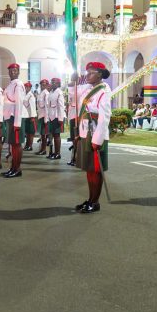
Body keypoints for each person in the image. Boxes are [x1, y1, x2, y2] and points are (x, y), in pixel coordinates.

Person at [75, 62, 112, 213]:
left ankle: (95, 202)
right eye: (87, 72)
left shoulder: (104, 90)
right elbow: (75, 99)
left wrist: (97, 140)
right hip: (86, 132)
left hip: (96, 134)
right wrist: (73, 83)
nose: (87, 75)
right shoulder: (89, 90)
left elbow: (104, 117)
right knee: (90, 169)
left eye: (91, 73)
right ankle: (90, 199)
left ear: (100, 74)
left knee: (96, 170)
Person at [2, 63, 26, 177]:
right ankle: (13, 167)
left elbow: (19, 104)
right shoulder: (10, 85)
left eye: (15, 70)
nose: (12, 72)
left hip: (15, 118)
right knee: (12, 144)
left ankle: (17, 169)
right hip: (9, 118)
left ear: (19, 72)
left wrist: (17, 123)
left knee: (17, 144)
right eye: (11, 70)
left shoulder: (18, 85)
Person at [47, 77, 65, 160]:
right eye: (52, 82)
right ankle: (53, 152)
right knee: (53, 135)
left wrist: (60, 118)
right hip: (51, 116)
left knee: (57, 135)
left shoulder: (59, 93)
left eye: (54, 82)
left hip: (57, 116)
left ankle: (58, 153)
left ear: (58, 84)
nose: (52, 83)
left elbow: (61, 106)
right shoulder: (51, 92)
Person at [67, 74, 80, 165]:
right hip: (72, 116)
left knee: (76, 139)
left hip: (77, 116)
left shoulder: (78, 89)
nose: (70, 81)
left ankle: (76, 159)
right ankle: (73, 158)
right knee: (73, 138)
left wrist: (73, 85)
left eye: (73, 79)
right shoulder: (71, 89)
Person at [36, 79, 50, 155]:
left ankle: (44, 150)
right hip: (40, 115)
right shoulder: (41, 93)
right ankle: (42, 149)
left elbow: (47, 107)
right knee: (42, 134)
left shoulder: (46, 94)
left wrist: (46, 119)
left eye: (44, 84)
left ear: (47, 85)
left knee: (44, 134)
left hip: (44, 116)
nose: (42, 86)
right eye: (41, 84)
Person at [22, 81, 37, 151]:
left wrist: (33, 117)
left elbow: (33, 107)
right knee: (27, 132)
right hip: (25, 115)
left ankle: (30, 146)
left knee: (31, 132)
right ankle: (27, 145)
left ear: (30, 88)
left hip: (30, 116)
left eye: (28, 87)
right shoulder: (24, 94)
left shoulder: (31, 96)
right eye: (25, 87)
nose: (26, 88)